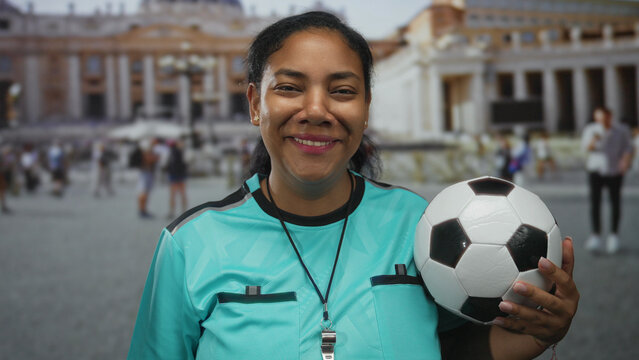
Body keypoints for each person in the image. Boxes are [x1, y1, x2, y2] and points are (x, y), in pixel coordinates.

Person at [128, 12, 579, 359]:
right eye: (289, 87)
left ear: (365, 109)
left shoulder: (419, 224)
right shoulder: (189, 244)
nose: (317, 109)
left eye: (342, 91)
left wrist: (539, 330)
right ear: (254, 103)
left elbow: (456, 349)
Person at [581, 106, 633, 254]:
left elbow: (628, 148)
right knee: (595, 203)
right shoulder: (591, 130)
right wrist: (595, 139)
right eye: (599, 118)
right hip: (596, 170)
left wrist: (625, 161)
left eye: (604, 117)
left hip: (614, 170)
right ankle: (595, 235)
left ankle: (613, 235)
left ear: (610, 116)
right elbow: (586, 148)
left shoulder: (621, 130)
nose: (602, 121)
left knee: (615, 202)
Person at [166, 140, 188, 220]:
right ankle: (183, 212)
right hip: (178, 175)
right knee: (181, 194)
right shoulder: (179, 152)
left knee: (174, 194)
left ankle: (172, 212)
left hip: (175, 175)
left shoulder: (173, 152)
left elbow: (170, 164)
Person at [137, 139, 159, 219]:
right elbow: (149, 160)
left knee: (145, 192)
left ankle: (143, 209)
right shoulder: (147, 151)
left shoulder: (149, 150)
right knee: (144, 192)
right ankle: (142, 210)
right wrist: (155, 158)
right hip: (146, 173)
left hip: (147, 172)